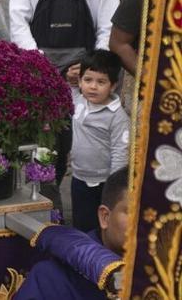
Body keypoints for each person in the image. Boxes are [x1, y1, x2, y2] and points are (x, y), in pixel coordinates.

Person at [15, 167, 129, 299]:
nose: (144, 224)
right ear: (105, 217)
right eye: (134, 213)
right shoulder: (52, 279)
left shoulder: (155, 273)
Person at [66, 50, 130, 234]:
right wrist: (68, 77)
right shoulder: (78, 100)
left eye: (101, 82)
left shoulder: (117, 117)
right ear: (79, 81)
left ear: (113, 86)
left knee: (102, 229)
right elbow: (63, 89)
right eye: (88, 80)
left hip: (103, 183)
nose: (93, 87)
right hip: (78, 178)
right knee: (80, 225)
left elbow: (120, 152)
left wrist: (113, 186)